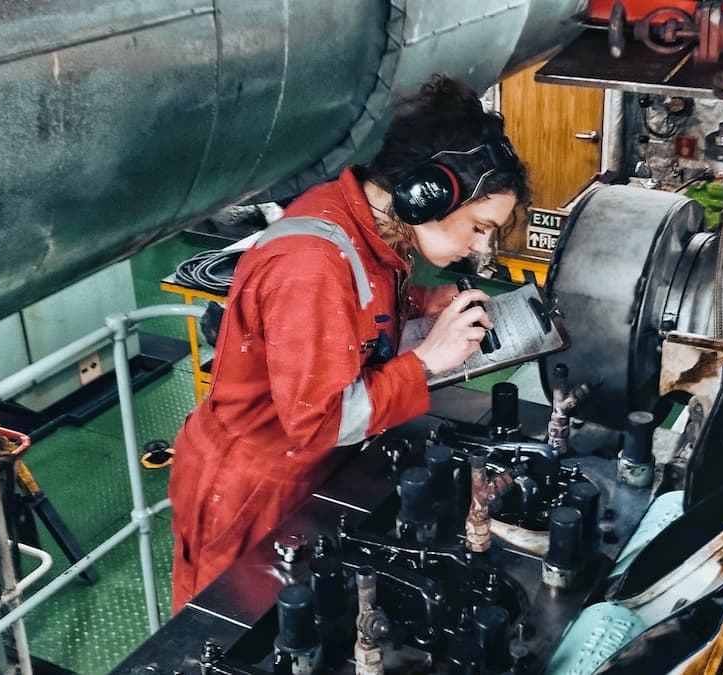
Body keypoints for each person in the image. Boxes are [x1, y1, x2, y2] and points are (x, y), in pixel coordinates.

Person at [168, 74, 531, 610]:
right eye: (479, 227)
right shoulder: (312, 265)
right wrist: (426, 362)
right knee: (237, 632)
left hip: (304, 474)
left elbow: (354, 313)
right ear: (424, 195)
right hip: (251, 492)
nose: (482, 248)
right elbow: (319, 421)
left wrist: (423, 302)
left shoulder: (366, 223)